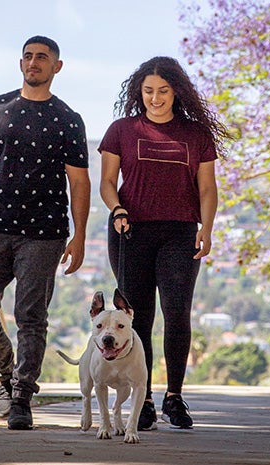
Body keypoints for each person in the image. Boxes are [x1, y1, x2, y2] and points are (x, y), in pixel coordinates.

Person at [0, 36, 90, 430]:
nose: (33, 62)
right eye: (27, 56)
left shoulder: (68, 119)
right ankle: (7, 373)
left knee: (31, 317)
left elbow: (79, 183)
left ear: (56, 66)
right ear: (20, 63)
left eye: (42, 57)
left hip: (44, 234)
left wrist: (79, 235)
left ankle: (23, 396)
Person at [98, 56, 228, 430]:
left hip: (180, 232)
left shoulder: (195, 135)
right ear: (140, 92)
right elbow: (107, 181)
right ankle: (145, 400)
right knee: (138, 320)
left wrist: (207, 227)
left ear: (176, 92)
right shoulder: (122, 129)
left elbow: (207, 187)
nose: (156, 98)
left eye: (163, 91)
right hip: (130, 231)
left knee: (176, 313)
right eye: (149, 91)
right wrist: (117, 208)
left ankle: (174, 396)